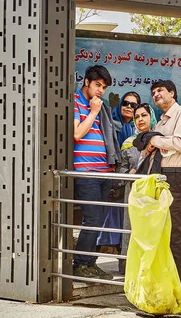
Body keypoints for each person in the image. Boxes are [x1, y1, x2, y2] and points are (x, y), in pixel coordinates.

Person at [148, 80, 181, 301]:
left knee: (175, 234)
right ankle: (164, 289)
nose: (156, 94)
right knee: (160, 235)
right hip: (159, 177)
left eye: (160, 91)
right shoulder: (160, 122)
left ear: (172, 93)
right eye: (153, 92)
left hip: (176, 177)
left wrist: (155, 140)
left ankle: (180, 292)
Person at [72, 65, 120, 279]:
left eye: (104, 87)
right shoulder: (76, 102)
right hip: (86, 171)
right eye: (97, 85)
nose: (101, 90)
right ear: (86, 83)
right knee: (91, 218)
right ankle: (80, 263)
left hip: (104, 170)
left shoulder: (102, 107)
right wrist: (92, 112)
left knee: (99, 220)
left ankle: (90, 263)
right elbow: (77, 134)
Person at [98, 91, 142, 253]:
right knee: (109, 216)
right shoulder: (110, 123)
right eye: (126, 103)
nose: (129, 107)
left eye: (134, 105)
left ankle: (122, 252)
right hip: (113, 177)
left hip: (131, 180)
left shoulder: (137, 129)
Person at [117, 102, 157, 273]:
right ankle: (127, 263)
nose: (140, 119)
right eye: (137, 116)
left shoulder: (159, 139)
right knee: (130, 226)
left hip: (154, 192)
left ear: (151, 118)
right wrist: (131, 172)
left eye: (144, 115)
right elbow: (120, 169)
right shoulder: (128, 143)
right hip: (133, 190)